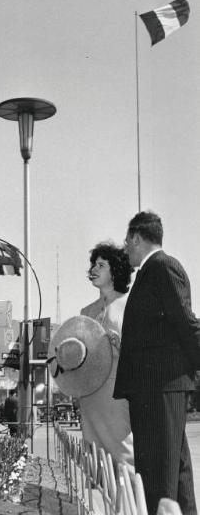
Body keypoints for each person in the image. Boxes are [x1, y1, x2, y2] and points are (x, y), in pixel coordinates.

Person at [114, 211, 200, 515]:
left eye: (127, 241)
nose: (125, 248)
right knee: (175, 471)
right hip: (154, 389)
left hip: (161, 387)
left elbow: (186, 323)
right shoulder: (152, 272)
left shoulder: (164, 268)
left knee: (158, 475)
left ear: (137, 238)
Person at [79, 242, 134, 468]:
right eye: (93, 264)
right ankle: (100, 503)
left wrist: (121, 345)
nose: (93, 269)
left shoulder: (130, 305)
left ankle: (129, 502)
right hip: (90, 395)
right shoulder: (86, 312)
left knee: (123, 457)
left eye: (101, 265)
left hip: (118, 393)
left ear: (115, 271)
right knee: (95, 461)